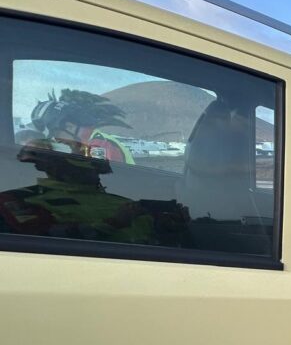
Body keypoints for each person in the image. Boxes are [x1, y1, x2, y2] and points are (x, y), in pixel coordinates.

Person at [0, 90, 187, 245]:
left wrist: (166, 226)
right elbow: (46, 240)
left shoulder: (116, 194)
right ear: (47, 164)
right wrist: (113, 223)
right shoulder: (24, 200)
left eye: (55, 133)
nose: (95, 169)